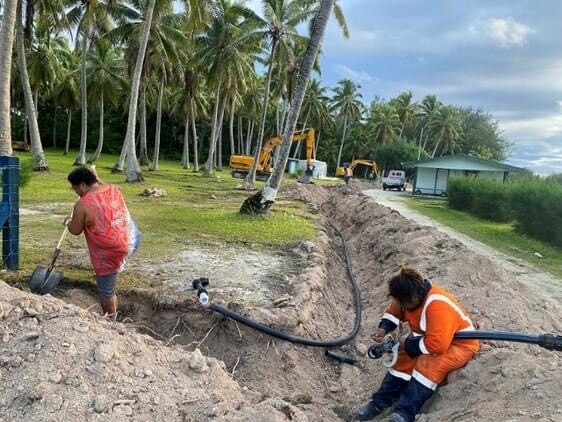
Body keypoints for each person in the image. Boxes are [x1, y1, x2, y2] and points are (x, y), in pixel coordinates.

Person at [355, 267, 479, 422]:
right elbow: (393, 312)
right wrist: (383, 328)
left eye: (404, 303)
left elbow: (437, 346)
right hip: (432, 339)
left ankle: (404, 413)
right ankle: (379, 403)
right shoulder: (406, 297)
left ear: (414, 296)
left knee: (428, 364)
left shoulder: (438, 305)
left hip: (459, 344)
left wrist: (406, 345)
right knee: (403, 360)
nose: (403, 307)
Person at [66, 166, 140, 317]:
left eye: (75, 189)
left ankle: (111, 323)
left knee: (106, 292)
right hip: (132, 238)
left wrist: (68, 222)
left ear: (82, 185)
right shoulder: (113, 189)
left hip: (110, 251)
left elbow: (75, 230)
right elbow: (98, 184)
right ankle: (113, 301)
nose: (76, 193)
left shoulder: (83, 204)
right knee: (112, 281)